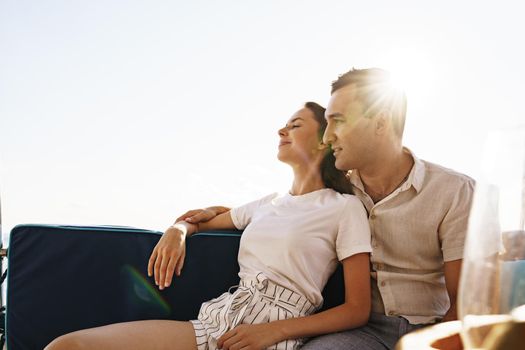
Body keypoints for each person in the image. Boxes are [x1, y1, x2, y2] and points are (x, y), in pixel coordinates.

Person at [179, 68, 475, 350]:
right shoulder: (338, 196)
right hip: (364, 332)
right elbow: (286, 211)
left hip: (433, 328)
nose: (328, 135)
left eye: (339, 120)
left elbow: (463, 304)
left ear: (381, 123)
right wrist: (193, 221)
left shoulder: (454, 191)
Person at [45, 102, 373, 350]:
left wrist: (274, 331)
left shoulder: (344, 208)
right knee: (66, 346)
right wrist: (177, 232)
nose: (281, 130)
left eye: (295, 125)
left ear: (323, 141)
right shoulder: (266, 204)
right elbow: (199, 222)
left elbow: (357, 309)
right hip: (216, 322)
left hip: (275, 336)